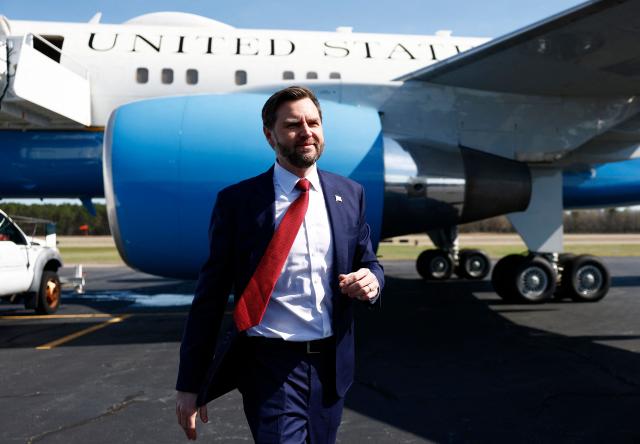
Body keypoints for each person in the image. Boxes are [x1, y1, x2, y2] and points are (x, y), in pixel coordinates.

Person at [175, 85, 384, 443]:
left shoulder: (349, 194)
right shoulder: (238, 203)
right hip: (269, 367)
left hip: (331, 366)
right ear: (269, 134)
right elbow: (209, 299)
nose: (306, 131)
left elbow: (369, 262)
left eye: (313, 122)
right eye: (292, 124)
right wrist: (190, 384)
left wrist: (371, 281)